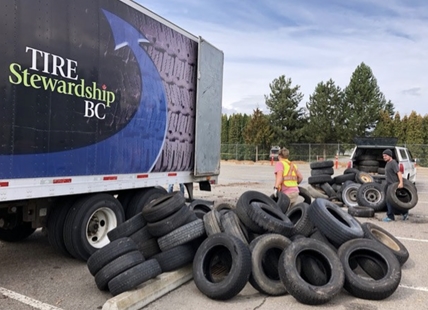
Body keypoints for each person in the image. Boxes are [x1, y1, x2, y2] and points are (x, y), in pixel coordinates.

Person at [382, 149, 408, 222]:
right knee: (391, 201)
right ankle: (403, 213)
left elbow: (398, 173)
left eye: (385, 156)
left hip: (393, 185)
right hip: (388, 184)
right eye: (383, 156)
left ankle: (392, 216)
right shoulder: (388, 163)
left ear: (390, 155)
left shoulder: (393, 162)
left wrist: (401, 183)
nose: (384, 157)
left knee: (390, 201)